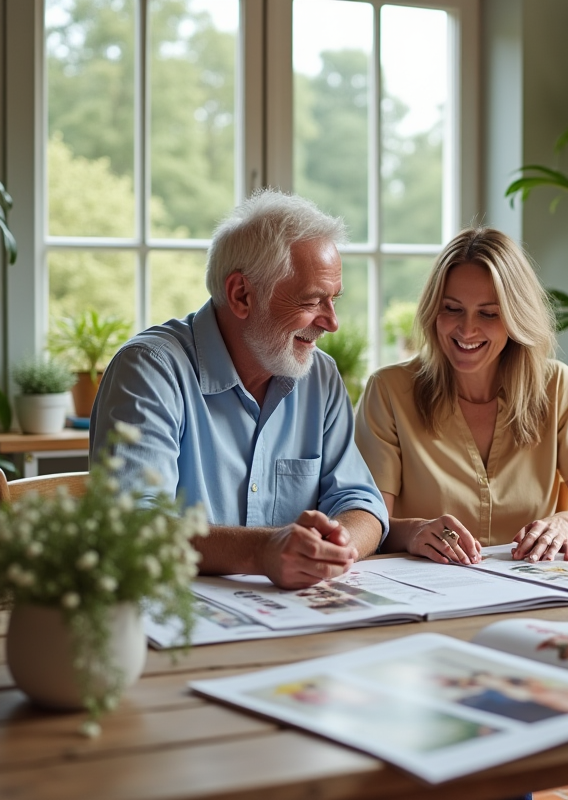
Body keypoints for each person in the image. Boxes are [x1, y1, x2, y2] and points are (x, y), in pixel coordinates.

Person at [90, 189, 387, 589]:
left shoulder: (321, 376)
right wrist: (261, 552)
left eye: (333, 300)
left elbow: (361, 503)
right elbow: (131, 528)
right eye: (313, 300)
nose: (331, 322)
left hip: (294, 617)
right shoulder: (150, 369)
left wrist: (333, 547)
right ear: (241, 295)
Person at [355, 227, 568, 565]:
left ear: (515, 317)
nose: (466, 330)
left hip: (533, 590)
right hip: (429, 588)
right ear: (434, 310)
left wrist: (564, 523)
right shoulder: (389, 391)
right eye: (452, 309)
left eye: (488, 313)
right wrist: (415, 532)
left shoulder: (558, 387)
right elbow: (369, 522)